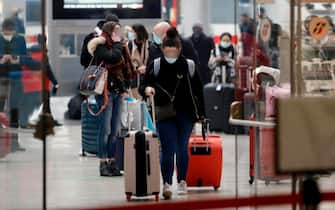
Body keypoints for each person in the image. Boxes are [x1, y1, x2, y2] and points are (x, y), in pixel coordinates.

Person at [140, 27, 205, 200]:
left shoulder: (189, 65)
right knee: (168, 149)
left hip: (186, 113)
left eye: (173, 53)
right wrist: (146, 89)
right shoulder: (156, 65)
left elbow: (198, 91)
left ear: (179, 50)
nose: (170, 57)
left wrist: (202, 115)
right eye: (167, 53)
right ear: (162, 50)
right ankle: (167, 183)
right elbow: (143, 85)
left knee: (182, 148)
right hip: (164, 112)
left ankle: (182, 180)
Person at [87, 21, 136, 177]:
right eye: (116, 31)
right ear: (109, 32)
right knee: (105, 129)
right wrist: (117, 45)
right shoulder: (100, 47)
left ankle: (113, 161)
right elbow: (113, 57)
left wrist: (125, 88)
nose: (119, 34)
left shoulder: (120, 46)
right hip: (105, 93)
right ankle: (103, 162)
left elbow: (125, 68)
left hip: (117, 91)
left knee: (114, 130)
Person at [0, 18, 28, 151]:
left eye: (11, 31)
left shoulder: (20, 40)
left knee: (15, 109)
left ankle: (14, 143)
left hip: (16, 78)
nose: (9, 33)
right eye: (6, 31)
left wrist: (14, 59)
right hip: (1, 78)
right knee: (0, 110)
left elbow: (25, 58)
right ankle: (1, 142)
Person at [128, 24, 150, 99]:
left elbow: (152, 60)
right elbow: (128, 61)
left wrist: (145, 68)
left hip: (147, 76)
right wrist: (137, 68)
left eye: (132, 32)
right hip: (134, 77)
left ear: (138, 33)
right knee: (136, 101)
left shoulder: (149, 45)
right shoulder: (130, 44)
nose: (130, 33)